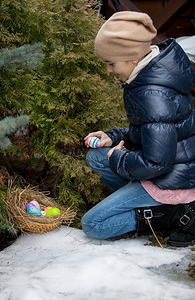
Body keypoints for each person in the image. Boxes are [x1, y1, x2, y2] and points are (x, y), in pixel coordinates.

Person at [81, 11, 195, 247]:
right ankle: (155, 204)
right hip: (170, 167)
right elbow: (153, 131)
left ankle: (170, 214)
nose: (109, 71)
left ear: (132, 58)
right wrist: (111, 138)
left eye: (111, 63)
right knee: (97, 157)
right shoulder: (148, 75)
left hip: (171, 179)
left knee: (93, 225)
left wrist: (120, 156)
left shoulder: (152, 94)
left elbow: (155, 163)